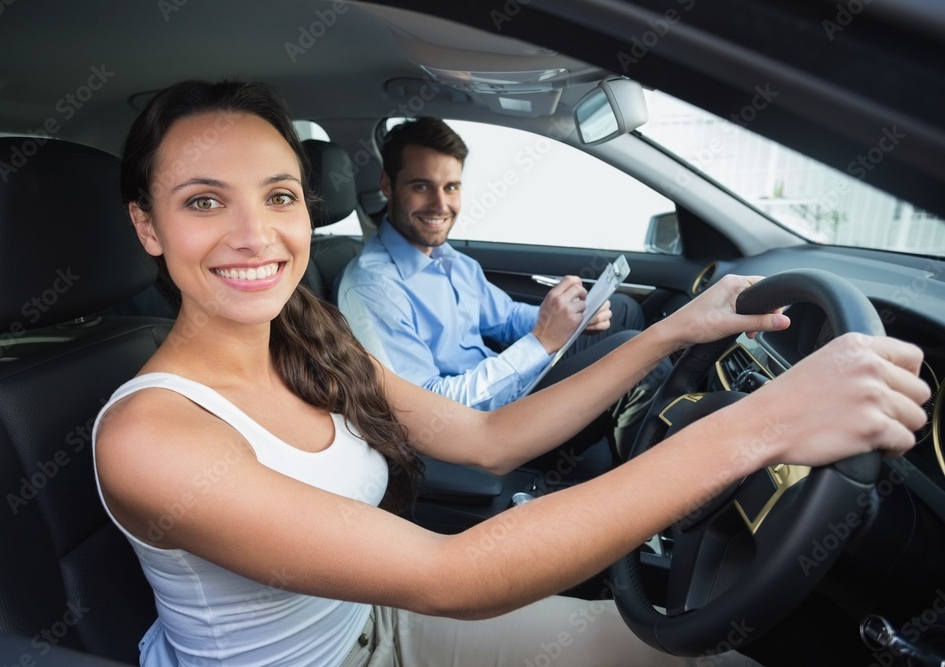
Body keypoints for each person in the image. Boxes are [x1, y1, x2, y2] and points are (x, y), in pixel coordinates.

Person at [94, 79, 929, 667]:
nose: (256, 234)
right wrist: (765, 423)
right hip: (399, 614)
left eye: (278, 197)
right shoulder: (150, 437)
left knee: (702, 657)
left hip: (383, 623)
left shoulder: (304, 340)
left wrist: (673, 332)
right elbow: (450, 574)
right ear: (148, 226)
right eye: (204, 202)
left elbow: (487, 437)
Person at [336, 117, 664, 469]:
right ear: (388, 185)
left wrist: (565, 315)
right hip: (487, 429)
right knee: (645, 357)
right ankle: (651, 486)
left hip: (502, 388)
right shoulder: (373, 288)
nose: (440, 205)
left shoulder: (451, 261)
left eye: (451, 187)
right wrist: (541, 342)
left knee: (623, 310)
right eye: (421, 186)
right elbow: (431, 411)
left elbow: (505, 318)